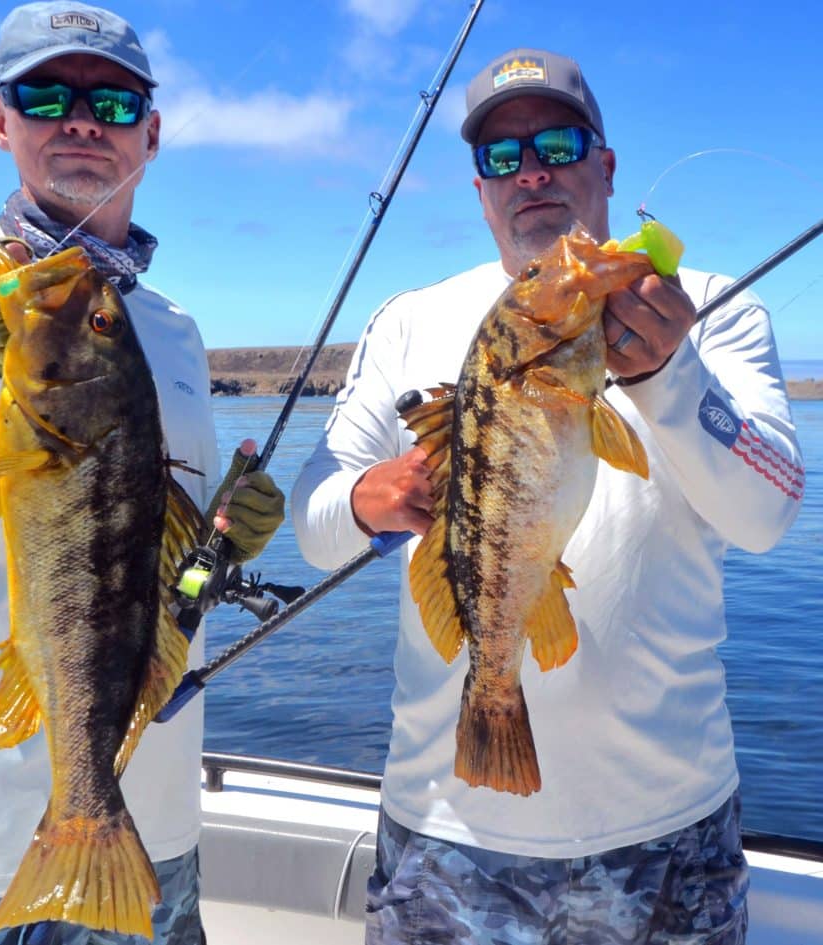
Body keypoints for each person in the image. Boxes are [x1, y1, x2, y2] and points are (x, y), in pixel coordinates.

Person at [291, 47, 804, 944]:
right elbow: (311, 525)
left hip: (671, 833)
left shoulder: (714, 309)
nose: (530, 171)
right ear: (481, 189)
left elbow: (771, 513)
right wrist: (369, 500)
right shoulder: (407, 319)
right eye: (501, 156)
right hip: (447, 838)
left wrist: (671, 376)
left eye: (557, 143)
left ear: (605, 165)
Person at [0, 3, 283, 944]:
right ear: (1, 121)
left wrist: (217, 534)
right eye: (48, 93)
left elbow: (139, 547)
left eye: (113, 102)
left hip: (149, 836)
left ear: (150, 135)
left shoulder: (173, 327)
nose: (82, 119)